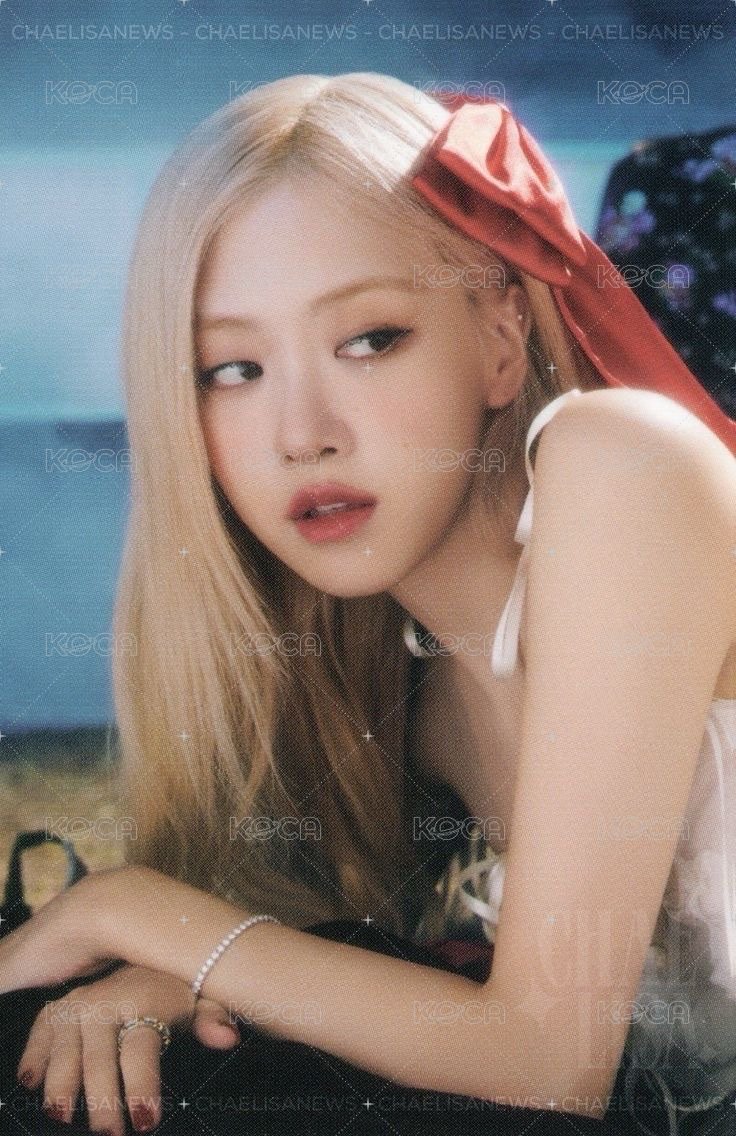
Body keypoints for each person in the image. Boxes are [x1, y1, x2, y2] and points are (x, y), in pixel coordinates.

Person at [0, 72, 734, 1136]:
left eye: (370, 340)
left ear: (500, 337)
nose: (303, 433)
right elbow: (393, 994)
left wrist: (130, 910)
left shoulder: (623, 463)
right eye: (232, 368)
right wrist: (185, 975)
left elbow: (545, 1064)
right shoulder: (394, 694)